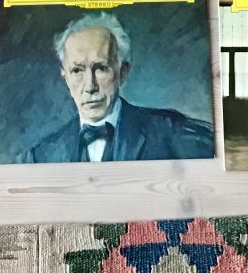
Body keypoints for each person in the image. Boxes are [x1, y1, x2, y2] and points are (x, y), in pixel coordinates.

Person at [22, 14, 214, 163]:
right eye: (77, 70)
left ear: (122, 73)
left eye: (101, 68)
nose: (90, 86)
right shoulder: (42, 154)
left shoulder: (173, 132)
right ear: (66, 78)